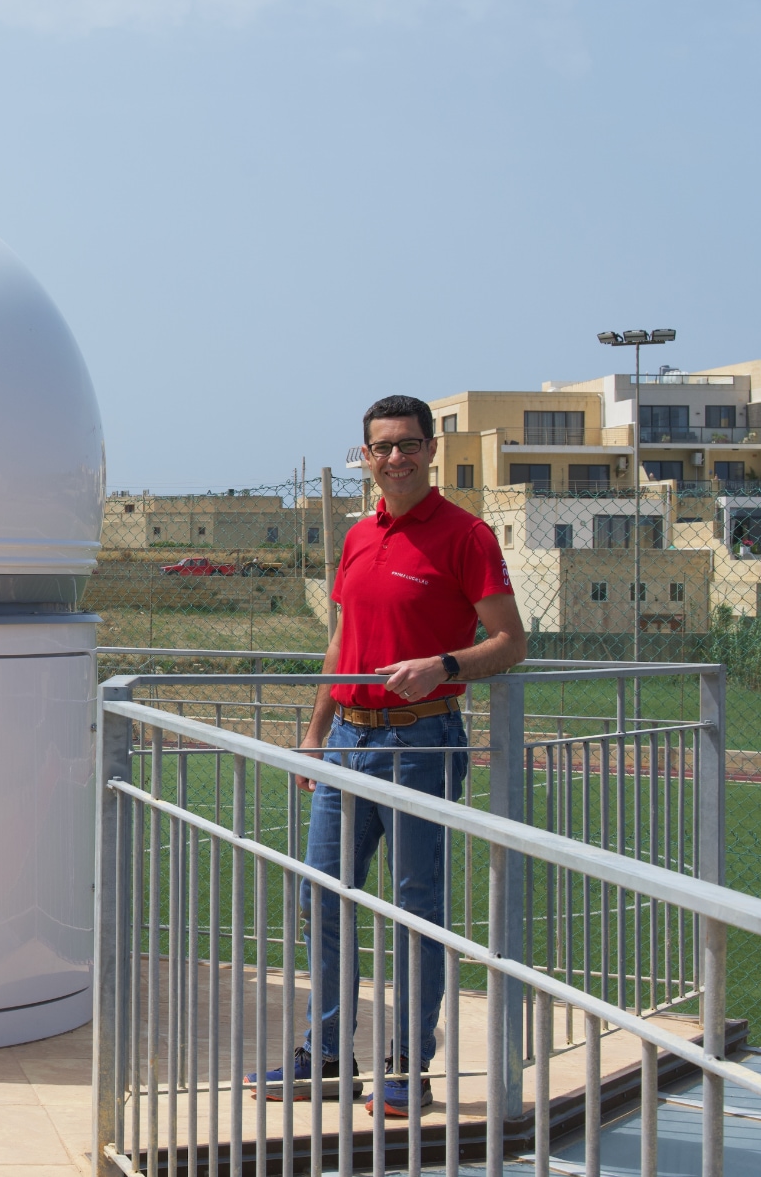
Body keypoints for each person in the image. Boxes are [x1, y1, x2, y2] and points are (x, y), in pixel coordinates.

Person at [248, 394, 526, 1117]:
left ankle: (407, 1065)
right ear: (365, 457)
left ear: (432, 450)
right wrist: (315, 733)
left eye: (409, 444)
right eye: (383, 447)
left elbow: (510, 642)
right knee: (323, 898)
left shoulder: (467, 537)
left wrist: (444, 665)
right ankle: (327, 1055)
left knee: (415, 909)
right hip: (346, 741)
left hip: (420, 741)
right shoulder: (357, 536)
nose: (396, 457)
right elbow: (342, 642)